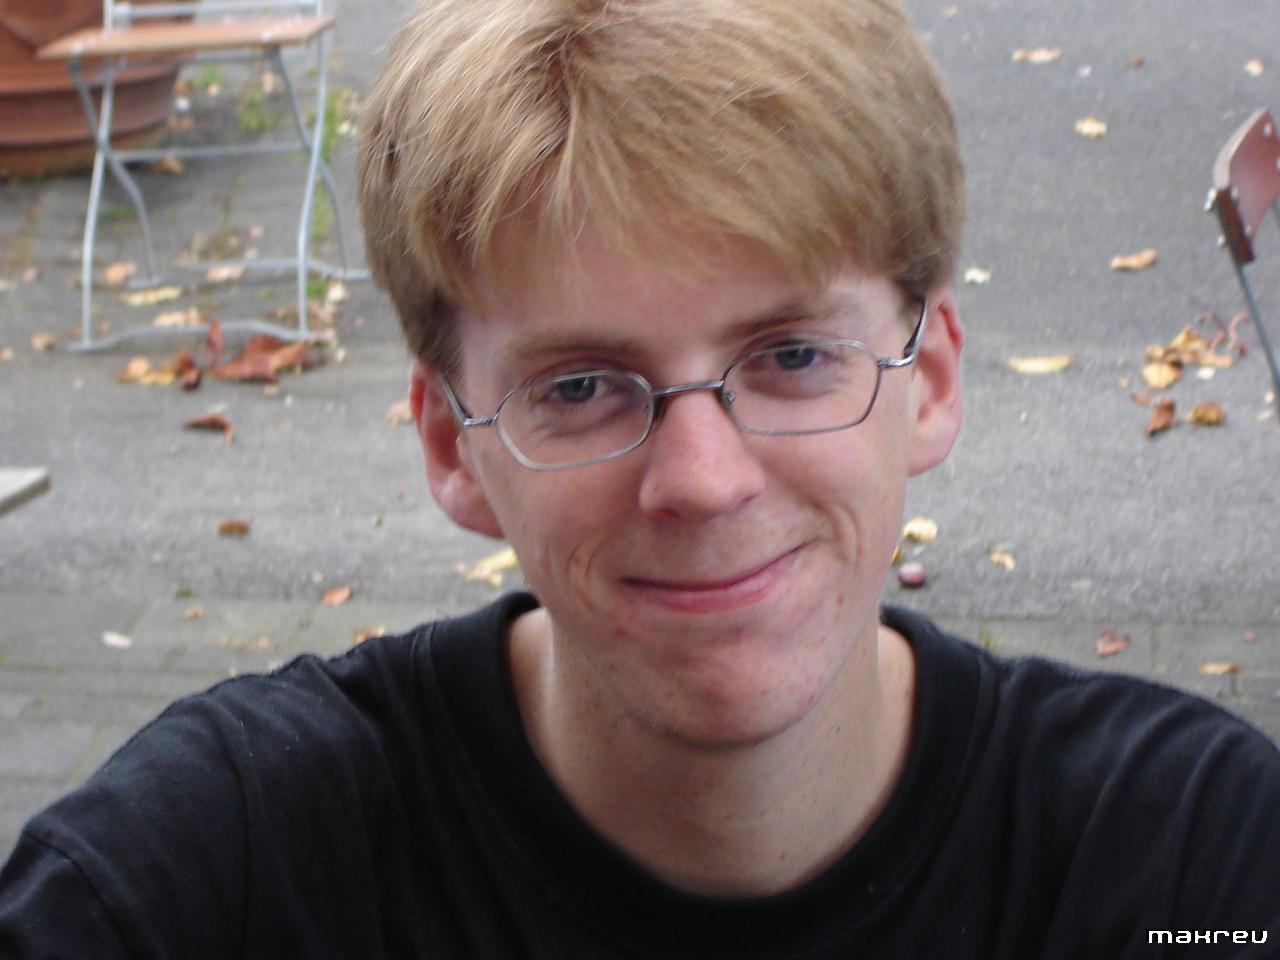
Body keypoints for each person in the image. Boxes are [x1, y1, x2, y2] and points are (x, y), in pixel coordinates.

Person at [2, 0, 1278, 955]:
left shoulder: (1189, 864)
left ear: (930, 379)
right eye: (578, 387)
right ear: (450, 445)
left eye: (789, 357)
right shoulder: (215, 877)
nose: (703, 482)